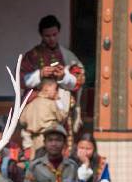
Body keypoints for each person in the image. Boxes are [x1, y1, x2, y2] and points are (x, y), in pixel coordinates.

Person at [21, 14, 85, 150]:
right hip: (39, 113)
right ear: (41, 35)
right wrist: (40, 74)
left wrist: (64, 77)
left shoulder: (68, 56)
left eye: (54, 35)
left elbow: (79, 80)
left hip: (61, 110)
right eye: (47, 36)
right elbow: (21, 80)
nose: (51, 39)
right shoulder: (32, 56)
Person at [19, 77, 68, 156]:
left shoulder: (30, 104)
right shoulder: (51, 103)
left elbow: (22, 121)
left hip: (33, 142)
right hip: (50, 141)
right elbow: (63, 117)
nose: (56, 92)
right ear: (46, 88)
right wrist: (58, 100)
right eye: (55, 89)